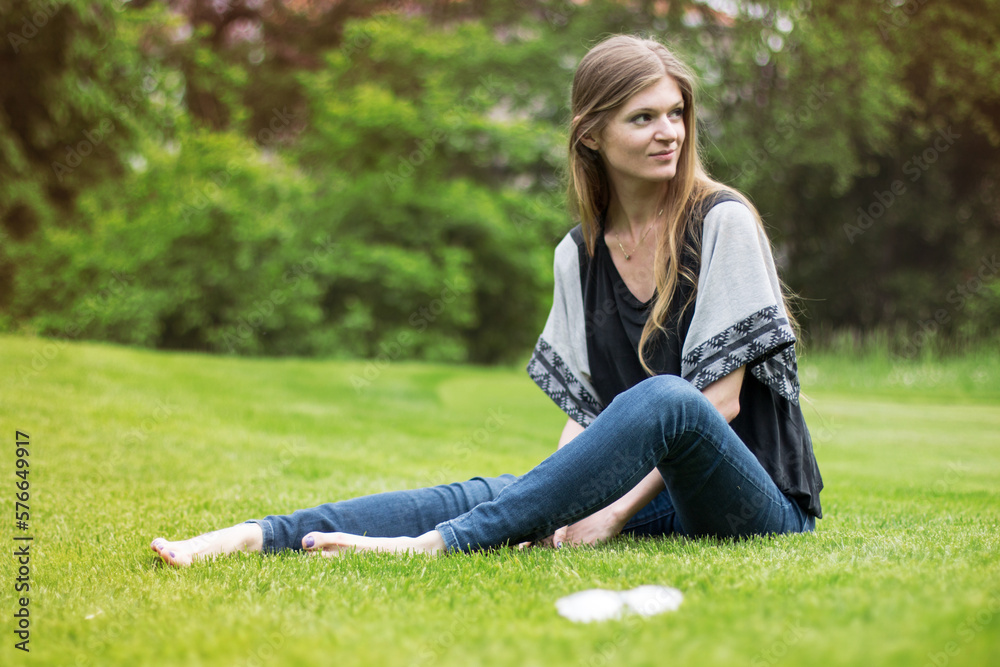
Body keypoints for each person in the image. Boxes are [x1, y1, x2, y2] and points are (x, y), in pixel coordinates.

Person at [151, 34, 822, 566]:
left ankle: (438, 546)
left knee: (668, 398)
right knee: (504, 491)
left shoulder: (722, 220)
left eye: (676, 112)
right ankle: (254, 535)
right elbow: (584, 420)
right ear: (591, 135)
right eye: (643, 117)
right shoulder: (578, 254)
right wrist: (561, 502)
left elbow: (718, 403)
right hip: (661, 501)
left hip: (751, 503)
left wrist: (610, 511)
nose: (669, 132)